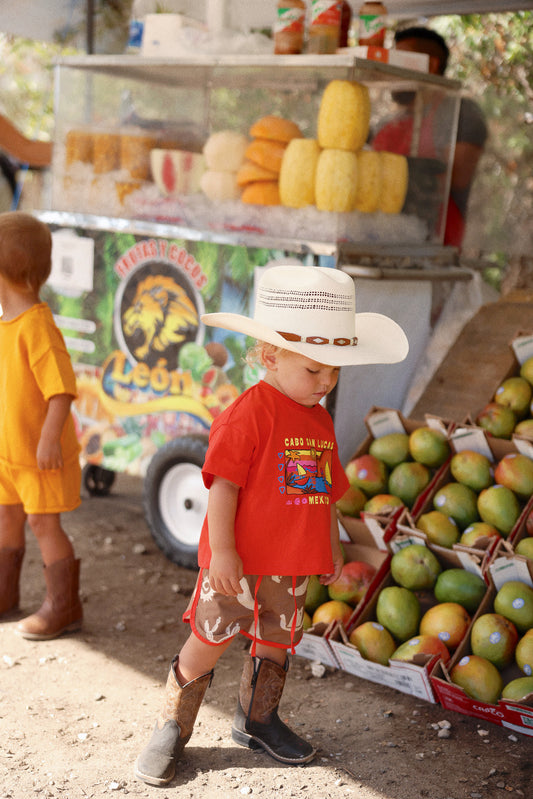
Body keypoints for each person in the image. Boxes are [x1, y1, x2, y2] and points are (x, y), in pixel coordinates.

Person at [134, 264, 409, 786]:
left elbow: (320, 490)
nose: (326, 382)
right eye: (314, 370)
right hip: (237, 563)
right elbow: (223, 488)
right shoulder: (248, 413)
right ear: (270, 356)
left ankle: (258, 719)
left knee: (277, 641)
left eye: (334, 372)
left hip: (292, 563)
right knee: (208, 637)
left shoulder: (320, 420)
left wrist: (329, 545)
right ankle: (171, 726)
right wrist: (222, 554)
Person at [0, 211, 83, 640]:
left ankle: (64, 606)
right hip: (11, 454)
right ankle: (4, 592)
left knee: (43, 525)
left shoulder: (37, 325)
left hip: (39, 456)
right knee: (6, 516)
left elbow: (61, 389)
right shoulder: (7, 324)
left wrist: (51, 437)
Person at [372, 26, 488, 248]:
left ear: (431, 65)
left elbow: (457, 177)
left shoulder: (461, 114)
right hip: (382, 240)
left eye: (399, 60)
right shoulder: (386, 123)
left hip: (436, 249)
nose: (390, 70)